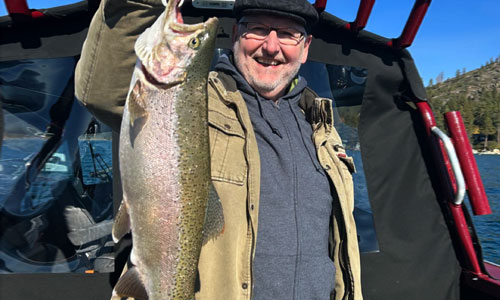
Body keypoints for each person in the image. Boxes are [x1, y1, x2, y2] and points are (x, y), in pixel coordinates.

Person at [75, 0, 362, 299]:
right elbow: (102, 94)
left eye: (289, 34)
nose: (271, 46)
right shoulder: (193, 98)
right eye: (258, 29)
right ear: (236, 33)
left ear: (305, 48)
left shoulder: (322, 129)